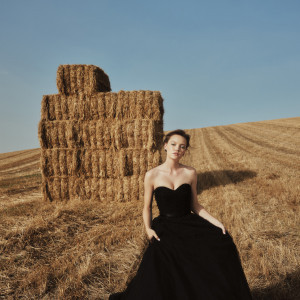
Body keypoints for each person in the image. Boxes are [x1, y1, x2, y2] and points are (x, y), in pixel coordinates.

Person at [109, 129, 252, 299]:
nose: (177, 149)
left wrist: (217, 223)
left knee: (221, 242)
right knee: (161, 263)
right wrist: (148, 229)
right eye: (174, 144)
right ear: (165, 146)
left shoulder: (190, 173)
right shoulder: (152, 175)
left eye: (182, 146)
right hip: (165, 226)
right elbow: (146, 207)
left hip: (188, 223)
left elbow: (195, 206)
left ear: (185, 151)